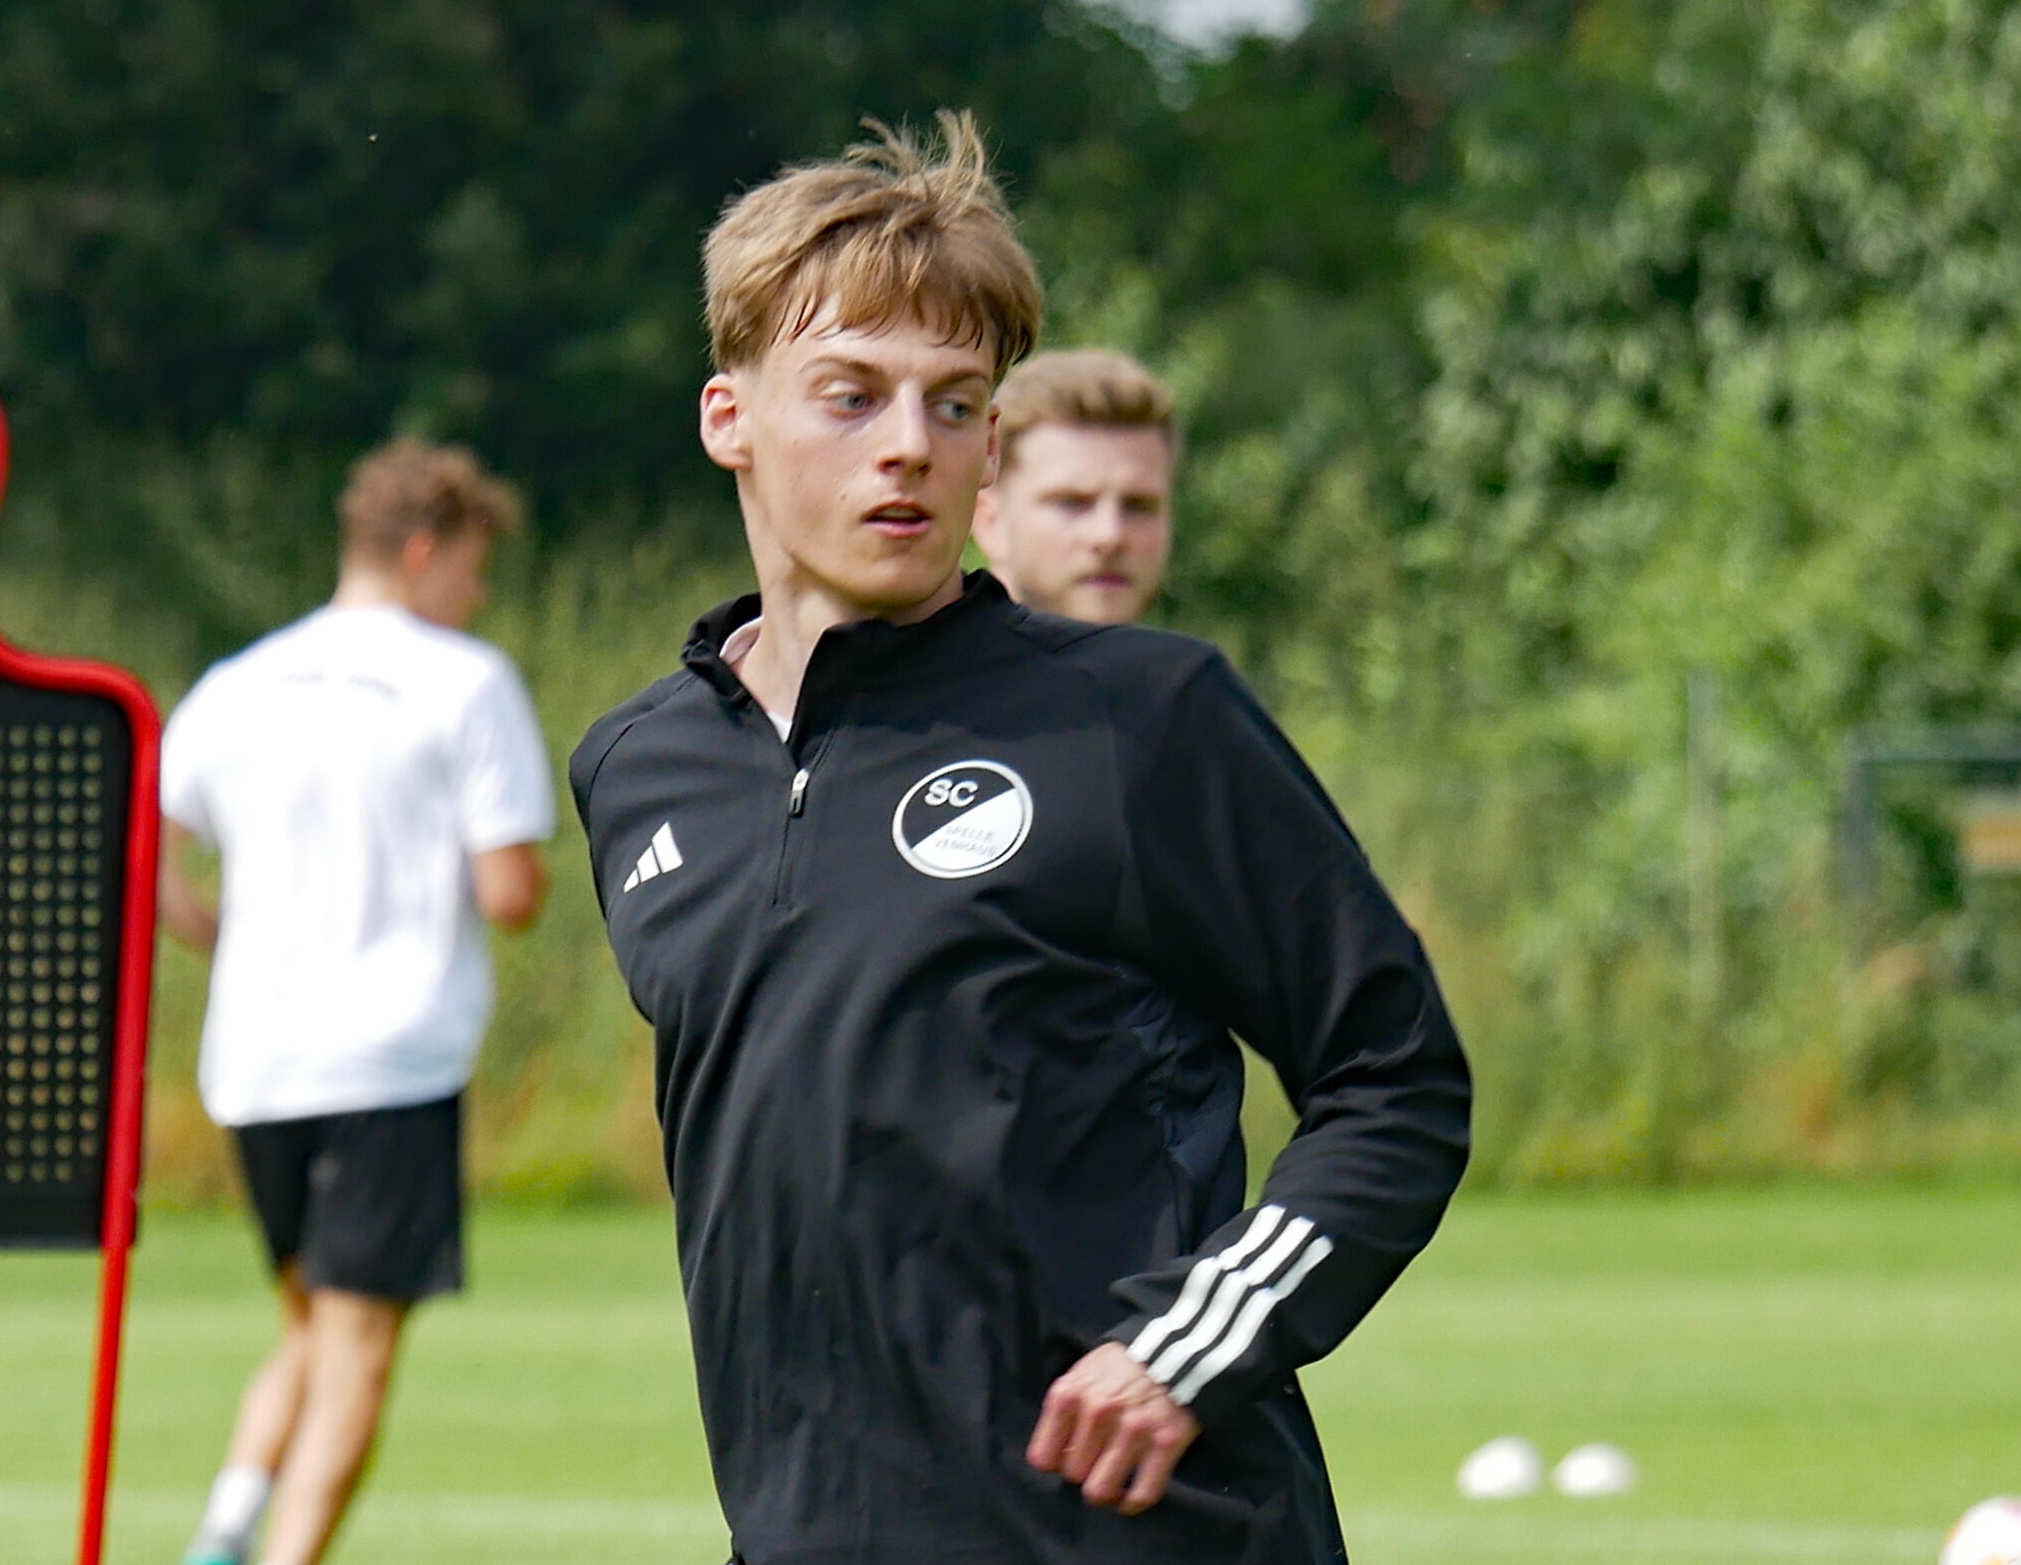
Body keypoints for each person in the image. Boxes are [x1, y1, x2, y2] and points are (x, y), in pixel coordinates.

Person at [570, 113, 1471, 1563]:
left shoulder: (1138, 718)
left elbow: (1397, 1083)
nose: (909, 450)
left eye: (954, 403)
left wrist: (1188, 1345)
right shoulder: (638, 770)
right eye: (850, 396)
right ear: (728, 416)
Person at [158, 439, 554, 1565]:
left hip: (255, 1057)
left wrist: (223, 937)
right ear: (424, 551)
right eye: (472, 570)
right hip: (392, 1055)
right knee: (361, 1341)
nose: (476, 597)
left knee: (309, 1318)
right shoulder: (464, 679)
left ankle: (224, 1529)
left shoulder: (236, 681)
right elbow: (509, 890)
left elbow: (150, 851)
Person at [972, 347, 1177, 623]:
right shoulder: (919, 664)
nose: (1109, 535)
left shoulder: (1194, 665)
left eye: (1138, 506)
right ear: (990, 521)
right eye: (1071, 503)